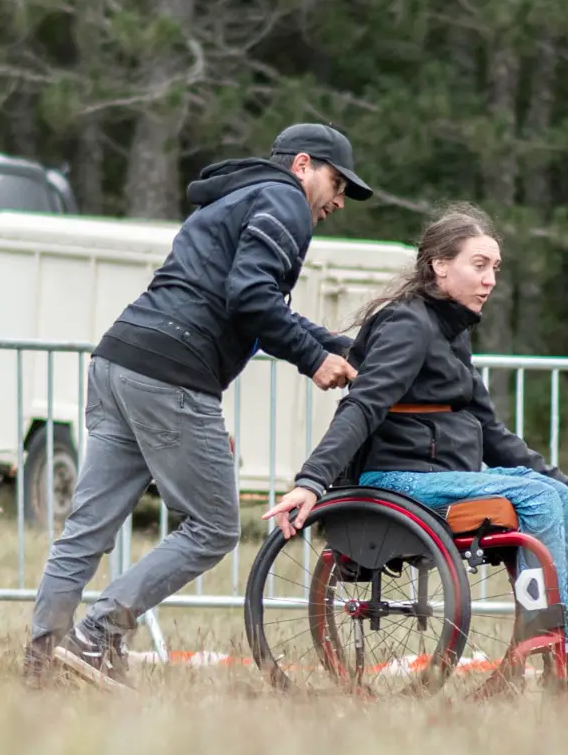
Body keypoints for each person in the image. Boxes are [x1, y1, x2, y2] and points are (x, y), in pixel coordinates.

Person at [26, 123, 373, 684]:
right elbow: (252, 297)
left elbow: (245, 302)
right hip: (174, 371)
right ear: (303, 165)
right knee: (213, 527)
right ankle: (98, 633)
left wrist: (335, 344)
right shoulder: (284, 201)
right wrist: (313, 360)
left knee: (87, 527)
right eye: (337, 183)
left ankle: (41, 664)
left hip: (120, 356)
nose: (337, 201)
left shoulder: (239, 196)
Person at [263, 204, 568, 694]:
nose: (490, 279)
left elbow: (492, 431)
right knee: (536, 496)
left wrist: (567, 484)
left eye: (495, 268)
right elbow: (361, 407)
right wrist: (311, 481)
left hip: (434, 478)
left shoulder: (451, 333)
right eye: (479, 265)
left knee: (550, 494)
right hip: (394, 482)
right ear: (439, 266)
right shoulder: (408, 325)